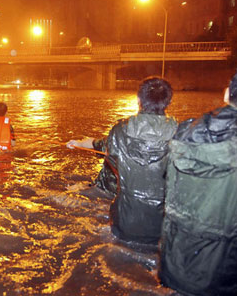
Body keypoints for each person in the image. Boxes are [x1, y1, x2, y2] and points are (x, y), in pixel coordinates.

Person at [159, 61, 237, 296]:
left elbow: (167, 180)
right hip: (221, 278)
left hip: (172, 265)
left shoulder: (184, 130)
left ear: (227, 94)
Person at [67, 77, 177, 247]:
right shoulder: (182, 134)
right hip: (164, 226)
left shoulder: (120, 131)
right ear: (168, 102)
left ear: (139, 100)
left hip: (125, 221)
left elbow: (104, 152)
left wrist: (78, 143)